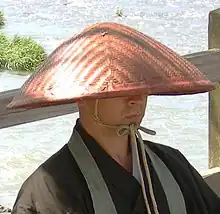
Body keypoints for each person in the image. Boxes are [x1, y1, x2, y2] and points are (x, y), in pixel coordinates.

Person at [9, 22, 220, 214]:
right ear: (82, 97)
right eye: (119, 88)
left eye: (141, 84)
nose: (136, 99)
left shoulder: (172, 164)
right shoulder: (48, 188)